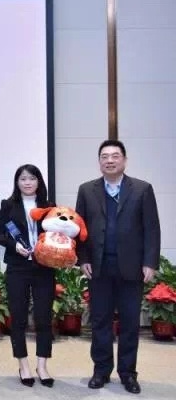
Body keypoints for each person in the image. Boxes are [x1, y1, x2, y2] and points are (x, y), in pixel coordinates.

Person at [76, 139, 160, 394]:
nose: (110, 160)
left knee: (130, 323)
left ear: (124, 160)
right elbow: (80, 229)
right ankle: (101, 371)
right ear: (99, 161)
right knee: (100, 321)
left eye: (115, 156)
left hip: (131, 267)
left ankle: (128, 373)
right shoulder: (86, 190)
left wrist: (150, 262)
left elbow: (152, 229)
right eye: (105, 156)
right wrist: (83, 259)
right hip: (98, 267)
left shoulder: (142, 189)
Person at [0, 164, 55, 388]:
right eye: (23, 179)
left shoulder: (49, 206)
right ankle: (24, 365)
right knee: (18, 317)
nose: (27, 183)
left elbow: (59, 232)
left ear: (39, 181)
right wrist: (14, 245)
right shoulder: (8, 205)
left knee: (43, 317)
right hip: (17, 267)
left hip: (44, 267)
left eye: (32, 178)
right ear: (17, 182)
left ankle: (42, 366)